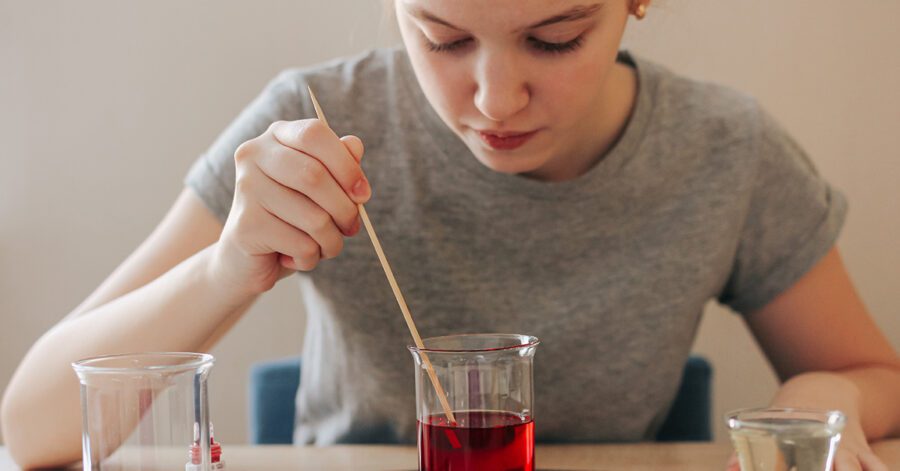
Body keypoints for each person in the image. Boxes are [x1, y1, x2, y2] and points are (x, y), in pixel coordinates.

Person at [2, 0, 898, 469]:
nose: (496, 99)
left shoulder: (725, 151)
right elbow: (31, 426)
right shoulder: (317, 120)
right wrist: (228, 267)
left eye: (555, 38)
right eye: (441, 36)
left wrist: (826, 394)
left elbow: (877, 376)